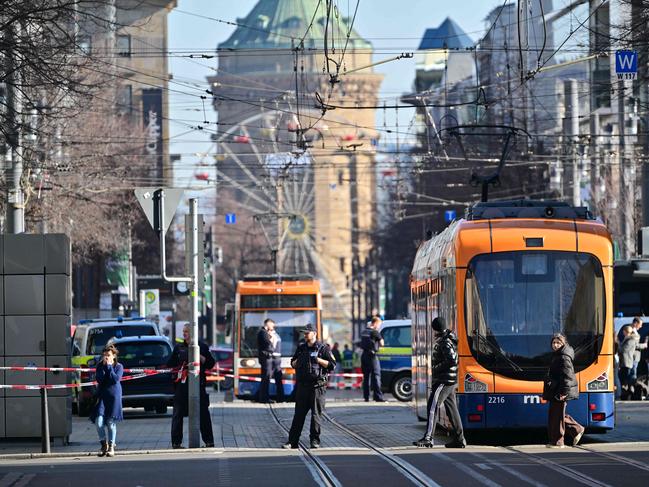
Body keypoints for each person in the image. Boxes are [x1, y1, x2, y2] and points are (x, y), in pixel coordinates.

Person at [413, 317, 466, 449]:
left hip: (444, 380)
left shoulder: (444, 342)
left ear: (434, 328)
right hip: (449, 380)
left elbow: (452, 360)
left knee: (432, 406)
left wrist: (436, 368)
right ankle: (460, 439)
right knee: (452, 410)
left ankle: (428, 438)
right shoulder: (447, 339)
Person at [282, 323, 335, 449]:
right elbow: (293, 363)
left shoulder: (323, 348)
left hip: (318, 387)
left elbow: (332, 365)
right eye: (304, 333)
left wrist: (318, 360)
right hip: (303, 387)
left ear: (314, 334)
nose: (305, 335)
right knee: (298, 415)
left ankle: (314, 440)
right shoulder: (301, 348)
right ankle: (292, 441)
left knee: (316, 415)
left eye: (307, 333)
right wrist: (299, 360)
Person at [166, 323, 216, 449]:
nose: (184, 334)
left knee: (204, 414)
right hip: (181, 387)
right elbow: (169, 364)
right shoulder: (178, 348)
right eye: (183, 331)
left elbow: (211, 364)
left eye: (187, 331)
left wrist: (200, 358)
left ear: (193, 333)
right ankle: (176, 443)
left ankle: (209, 441)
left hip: (198, 385)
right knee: (177, 414)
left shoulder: (202, 347)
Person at [543, 333, 584, 448]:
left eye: (558, 343)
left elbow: (568, 376)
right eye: (554, 343)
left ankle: (558, 442)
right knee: (556, 414)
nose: (555, 345)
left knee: (557, 415)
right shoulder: (558, 354)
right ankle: (577, 430)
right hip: (556, 389)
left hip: (560, 390)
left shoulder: (563, 356)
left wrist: (563, 392)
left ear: (563, 343)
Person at [90, 344, 123, 457]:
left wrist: (109, 367)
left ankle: (111, 446)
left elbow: (115, 379)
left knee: (110, 422)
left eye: (108, 355)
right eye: (104, 355)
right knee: (99, 422)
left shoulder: (119, 366)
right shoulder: (100, 366)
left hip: (114, 397)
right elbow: (100, 379)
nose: (106, 357)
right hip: (102, 397)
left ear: (114, 356)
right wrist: (104, 367)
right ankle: (103, 444)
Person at [257, 319, 284, 403]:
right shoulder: (264, 333)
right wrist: (271, 341)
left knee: (277, 379)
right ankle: (264, 398)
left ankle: (280, 398)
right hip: (270, 358)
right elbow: (269, 345)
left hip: (275, 359)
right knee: (266, 378)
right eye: (272, 325)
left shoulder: (274, 334)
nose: (273, 327)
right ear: (267, 324)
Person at [618, 325, 648, 400]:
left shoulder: (630, 339)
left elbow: (624, 350)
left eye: (624, 331)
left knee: (630, 379)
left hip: (627, 362)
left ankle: (643, 389)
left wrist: (618, 345)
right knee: (628, 379)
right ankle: (629, 393)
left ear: (625, 332)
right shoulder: (628, 338)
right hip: (626, 362)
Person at [359, 316, 385, 402]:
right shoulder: (375, 332)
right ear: (375, 323)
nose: (379, 326)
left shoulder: (364, 332)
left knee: (366, 377)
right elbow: (382, 343)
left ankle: (366, 397)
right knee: (376, 376)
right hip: (372, 356)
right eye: (379, 324)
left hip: (364, 356)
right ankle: (378, 397)